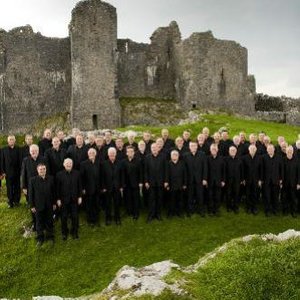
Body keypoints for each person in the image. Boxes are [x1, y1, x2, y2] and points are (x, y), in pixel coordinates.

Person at [28, 163, 56, 246]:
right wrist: (32, 205)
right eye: (40, 169)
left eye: (44, 169)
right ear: (37, 170)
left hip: (49, 204)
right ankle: (40, 238)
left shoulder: (51, 178)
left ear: (46, 169)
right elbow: (31, 194)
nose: (42, 170)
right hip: (38, 205)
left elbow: (54, 192)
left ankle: (50, 237)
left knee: (49, 221)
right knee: (39, 222)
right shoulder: (32, 180)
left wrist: (54, 203)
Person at [21, 144, 47, 230]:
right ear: (29, 152)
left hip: (42, 185)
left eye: (35, 151)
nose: (34, 152)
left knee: (43, 203)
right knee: (32, 205)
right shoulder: (25, 160)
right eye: (32, 151)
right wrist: (24, 187)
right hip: (30, 187)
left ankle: (43, 221)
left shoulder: (43, 159)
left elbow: (48, 172)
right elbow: (23, 174)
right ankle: (35, 222)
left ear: (38, 151)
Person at [56, 158, 82, 239]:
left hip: (74, 199)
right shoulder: (59, 174)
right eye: (67, 163)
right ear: (64, 164)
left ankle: (74, 232)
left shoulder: (77, 173)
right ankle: (64, 232)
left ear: (72, 164)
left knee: (75, 216)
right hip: (63, 200)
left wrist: (80, 196)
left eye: (70, 163)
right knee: (63, 217)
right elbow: (57, 189)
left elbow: (79, 186)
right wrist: (58, 199)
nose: (68, 164)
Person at [183, 141, 208, 217]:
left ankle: (200, 211)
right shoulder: (185, 155)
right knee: (190, 196)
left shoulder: (202, 154)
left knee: (200, 196)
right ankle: (190, 211)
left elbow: (205, 167)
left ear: (197, 146)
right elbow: (184, 169)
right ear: (189, 147)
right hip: (189, 180)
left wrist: (204, 178)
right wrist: (185, 181)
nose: (193, 147)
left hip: (199, 179)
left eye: (194, 146)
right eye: (191, 146)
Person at [144, 143, 167, 222]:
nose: (154, 149)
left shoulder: (163, 157)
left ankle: (158, 214)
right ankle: (151, 215)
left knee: (159, 199)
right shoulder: (147, 158)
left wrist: (166, 181)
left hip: (160, 182)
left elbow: (166, 170)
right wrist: (146, 181)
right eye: (152, 147)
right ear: (150, 149)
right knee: (151, 199)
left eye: (155, 147)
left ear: (158, 148)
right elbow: (145, 171)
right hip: (151, 183)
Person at [101, 147, 123, 225]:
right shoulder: (104, 164)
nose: (112, 155)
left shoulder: (120, 163)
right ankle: (108, 218)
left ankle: (117, 218)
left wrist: (121, 186)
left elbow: (122, 175)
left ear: (115, 154)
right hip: (107, 187)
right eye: (110, 153)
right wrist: (103, 187)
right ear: (108, 154)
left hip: (117, 187)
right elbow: (102, 177)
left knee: (117, 203)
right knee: (108, 204)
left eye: (113, 153)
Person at [80, 148, 101, 226]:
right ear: (88, 154)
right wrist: (83, 188)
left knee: (97, 204)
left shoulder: (99, 163)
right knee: (89, 205)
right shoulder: (83, 164)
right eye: (90, 153)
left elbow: (101, 176)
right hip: (88, 188)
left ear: (95, 154)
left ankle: (96, 219)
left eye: (93, 152)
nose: (91, 154)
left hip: (97, 188)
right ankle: (90, 220)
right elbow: (81, 178)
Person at [261, 144, 283, 216]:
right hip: (266, 180)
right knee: (267, 196)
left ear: (274, 149)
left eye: (271, 149)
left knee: (275, 196)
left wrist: (281, 179)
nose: (270, 150)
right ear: (267, 150)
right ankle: (267, 210)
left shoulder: (279, 157)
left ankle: (275, 210)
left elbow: (281, 169)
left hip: (276, 180)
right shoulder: (263, 157)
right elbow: (262, 169)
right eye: (269, 149)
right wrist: (261, 179)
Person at [122, 146, 143, 220]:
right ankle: (129, 211)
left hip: (135, 183)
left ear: (134, 153)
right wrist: (123, 183)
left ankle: (136, 213)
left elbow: (141, 172)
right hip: (126, 184)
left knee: (135, 199)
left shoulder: (138, 161)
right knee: (128, 198)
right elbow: (122, 173)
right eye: (128, 151)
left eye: (131, 151)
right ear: (126, 153)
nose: (130, 153)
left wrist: (140, 182)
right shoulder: (124, 161)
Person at [1, 135, 22, 208]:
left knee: (17, 187)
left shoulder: (19, 149)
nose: (11, 141)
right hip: (8, 173)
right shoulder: (3, 150)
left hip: (17, 172)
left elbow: (21, 161)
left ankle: (16, 201)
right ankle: (10, 202)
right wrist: (3, 172)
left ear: (15, 140)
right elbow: (2, 161)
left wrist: (21, 171)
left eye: (12, 139)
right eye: (10, 139)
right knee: (9, 187)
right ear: (8, 141)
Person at [165, 150, 187, 217]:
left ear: (178, 156)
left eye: (176, 155)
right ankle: (171, 213)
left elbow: (185, 174)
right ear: (171, 156)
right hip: (171, 185)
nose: (174, 156)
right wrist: (167, 184)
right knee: (171, 200)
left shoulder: (182, 163)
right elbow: (166, 175)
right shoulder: (168, 164)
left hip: (180, 185)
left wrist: (185, 184)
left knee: (180, 200)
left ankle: (179, 213)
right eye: (173, 155)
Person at [243, 144, 262, 214]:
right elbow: (243, 169)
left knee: (255, 193)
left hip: (256, 179)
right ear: (249, 150)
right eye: (251, 149)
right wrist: (243, 179)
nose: (253, 150)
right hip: (247, 179)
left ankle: (254, 207)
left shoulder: (259, 158)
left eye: (254, 149)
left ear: (256, 150)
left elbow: (261, 169)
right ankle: (248, 207)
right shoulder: (244, 158)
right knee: (248, 194)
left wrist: (260, 179)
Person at [207, 144, 225, 216]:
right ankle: (211, 210)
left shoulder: (221, 158)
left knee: (217, 196)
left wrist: (223, 180)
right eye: (212, 149)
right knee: (210, 196)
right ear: (210, 150)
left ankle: (216, 209)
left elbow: (223, 170)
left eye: (215, 149)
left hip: (218, 180)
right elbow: (205, 170)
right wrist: (205, 179)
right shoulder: (207, 158)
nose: (214, 150)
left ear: (217, 150)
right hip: (210, 180)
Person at [282, 146, 300, 217]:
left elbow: (299, 173)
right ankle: (285, 210)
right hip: (285, 182)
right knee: (285, 197)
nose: (289, 152)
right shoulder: (283, 160)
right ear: (286, 152)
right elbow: (281, 172)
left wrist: (299, 183)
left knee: (293, 197)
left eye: (290, 151)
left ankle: (293, 211)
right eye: (288, 151)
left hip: (294, 183)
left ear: (292, 152)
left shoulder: (297, 160)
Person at [225, 146, 244, 213]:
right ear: (229, 151)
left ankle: (236, 207)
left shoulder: (239, 159)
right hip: (228, 180)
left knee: (236, 194)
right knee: (228, 194)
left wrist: (242, 179)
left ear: (236, 151)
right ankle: (229, 207)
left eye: (234, 150)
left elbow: (242, 170)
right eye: (231, 150)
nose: (232, 151)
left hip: (237, 180)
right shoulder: (226, 159)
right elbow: (224, 171)